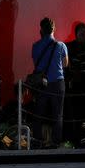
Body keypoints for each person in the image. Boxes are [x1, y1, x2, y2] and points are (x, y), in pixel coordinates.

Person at [31, 17, 68, 148]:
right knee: (57, 114)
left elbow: (36, 63)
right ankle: (56, 141)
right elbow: (65, 64)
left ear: (41, 30)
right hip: (58, 82)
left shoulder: (35, 46)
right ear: (54, 29)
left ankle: (37, 140)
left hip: (41, 83)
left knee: (39, 113)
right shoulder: (61, 45)